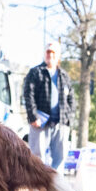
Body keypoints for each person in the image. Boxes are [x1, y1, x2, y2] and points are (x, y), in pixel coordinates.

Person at [21, 42, 74, 171]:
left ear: (58, 56)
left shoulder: (64, 76)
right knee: (37, 159)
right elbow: (28, 95)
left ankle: (55, 189)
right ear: (44, 54)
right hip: (40, 123)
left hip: (60, 123)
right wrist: (33, 117)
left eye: (53, 53)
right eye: (48, 52)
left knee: (59, 160)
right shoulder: (35, 72)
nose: (50, 55)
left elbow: (71, 99)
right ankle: (37, 190)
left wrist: (68, 119)